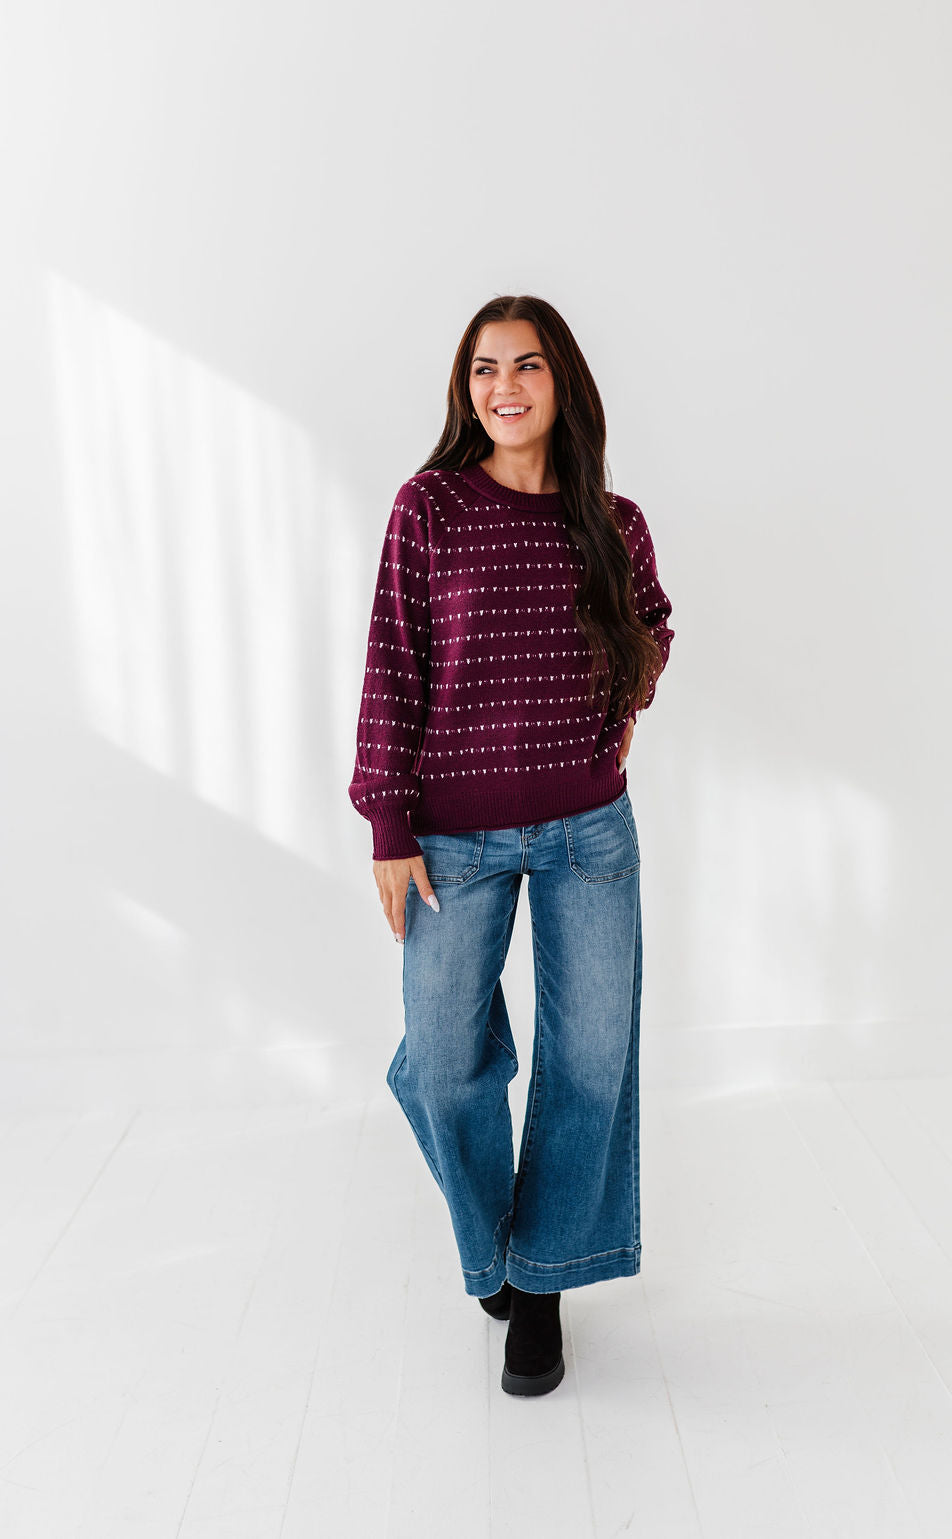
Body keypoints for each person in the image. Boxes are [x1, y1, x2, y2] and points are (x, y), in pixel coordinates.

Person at [348, 294, 674, 1397]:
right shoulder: (430, 507)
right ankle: (499, 1238)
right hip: (452, 838)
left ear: (560, 381)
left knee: (590, 1060)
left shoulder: (613, 521)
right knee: (442, 1062)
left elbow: (651, 622)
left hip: (590, 829)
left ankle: (539, 1284)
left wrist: (625, 703)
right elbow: (394, 659)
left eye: (526, 365)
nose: (504, 387)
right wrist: (388, 822)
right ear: (466, 389)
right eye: (484, 369)